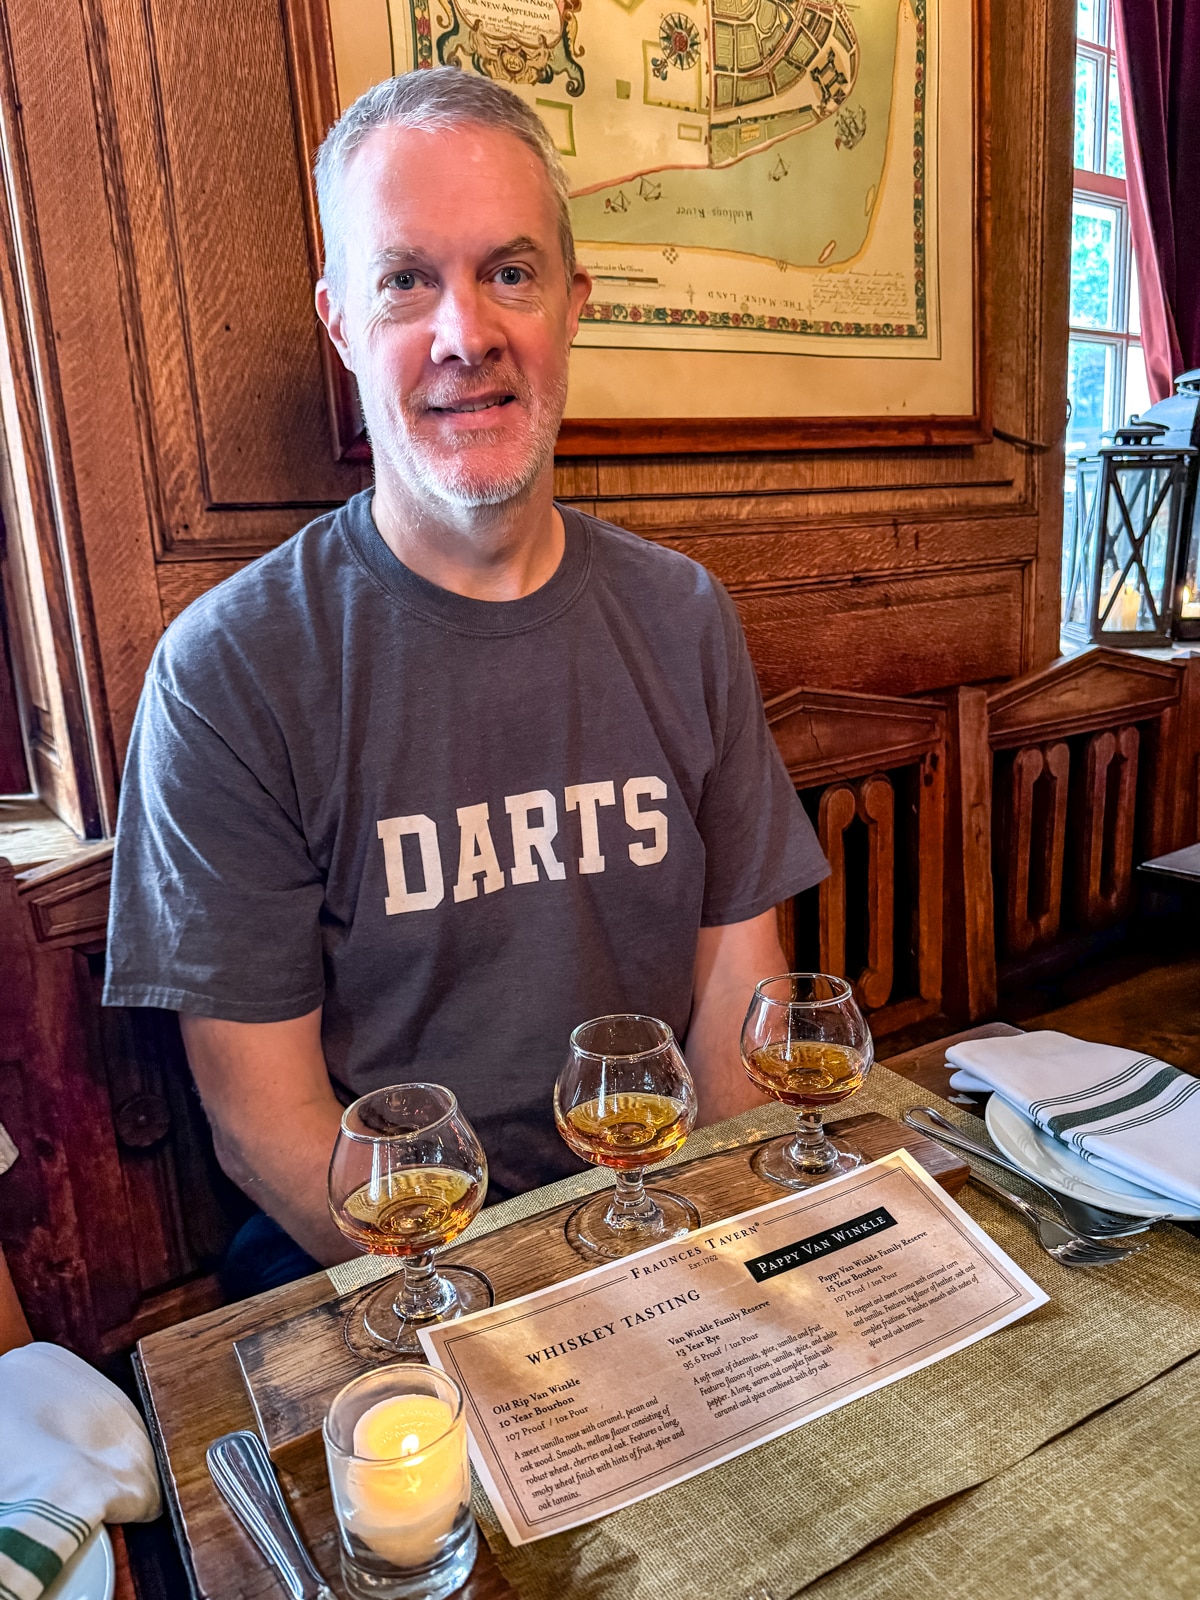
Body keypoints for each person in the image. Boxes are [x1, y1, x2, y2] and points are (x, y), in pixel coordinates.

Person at [103, 68, 828, 1288]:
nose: (465, 334)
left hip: (658, 1225)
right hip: (396, 1269)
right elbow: (266, 1126)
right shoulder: (229, 671)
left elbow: (738, 1000)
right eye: (406, 281)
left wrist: (689, 1267)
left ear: (572, 302)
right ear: (342, 322)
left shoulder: (683, 613)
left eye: (508, 271)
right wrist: (526, 1318)